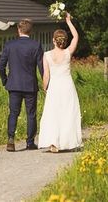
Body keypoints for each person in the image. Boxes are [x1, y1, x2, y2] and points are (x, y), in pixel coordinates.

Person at [0, 19, 44, 152]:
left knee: (13, 113)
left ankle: (10, 139)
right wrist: (46, 82)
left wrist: (5, 80)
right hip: (30, 85)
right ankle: (30, 142)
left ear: (18, 30)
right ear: (31, 31)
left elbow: (1, 65)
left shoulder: (10, 45)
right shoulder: (36, 45)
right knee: (31, 114)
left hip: (13, 84)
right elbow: (41, 67)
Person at [38, 13, 82, 152]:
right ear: (64, 41)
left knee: (53, 114)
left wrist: (45, 88)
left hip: (55, 87)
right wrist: (68, 21)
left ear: (53, 40)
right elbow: (76, 37)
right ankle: (67, 142)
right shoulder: (68, 52)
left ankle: (53, 142)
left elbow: (46, 75)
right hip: (67, 86)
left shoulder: (47, 55)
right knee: (68, 113)